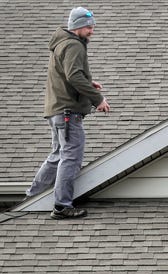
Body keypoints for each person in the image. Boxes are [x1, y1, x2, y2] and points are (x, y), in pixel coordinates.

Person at [25, 7, 110, 219]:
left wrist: (88, 82)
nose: (92, 31)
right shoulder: (74, 45)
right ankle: (62, 206)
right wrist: (97, 99)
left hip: (56, 110)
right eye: (89, 27)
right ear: (78, 26)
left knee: (57, 155)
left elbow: (68, 75)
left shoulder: (62, 43)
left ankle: (31, 199)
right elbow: (74, 76)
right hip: (68, 112)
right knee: (71, 156)